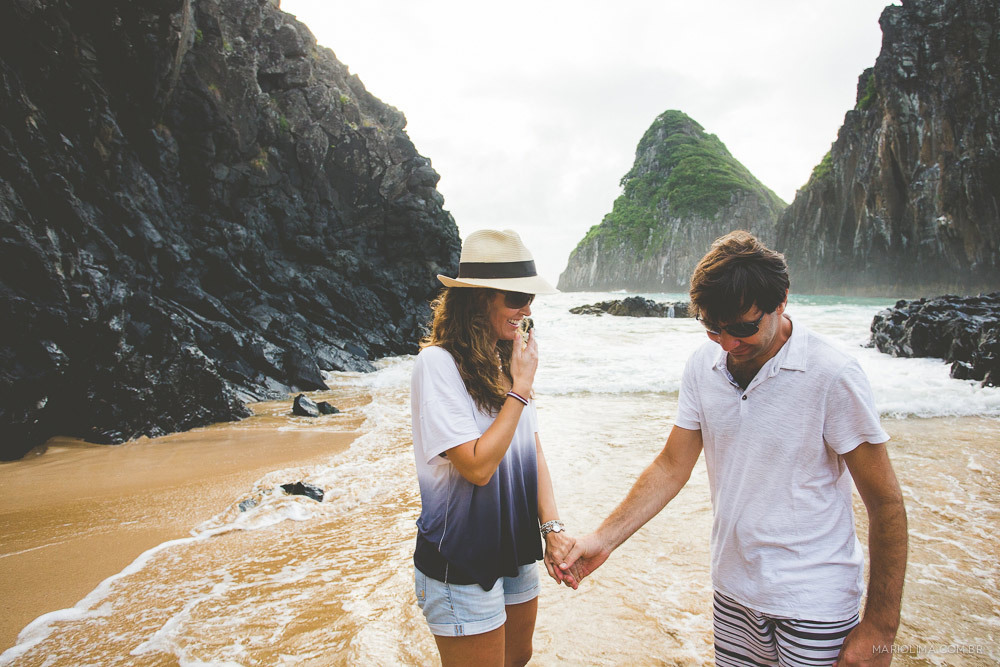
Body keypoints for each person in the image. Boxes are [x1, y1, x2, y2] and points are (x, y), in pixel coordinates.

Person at [557, 231, 908, 666]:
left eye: (743, 328)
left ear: (781, 302)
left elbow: (886, 502)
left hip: (813, 603)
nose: (727, 343)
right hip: (733, 594)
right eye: (713, 329)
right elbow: (671, 466)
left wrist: (879, 628)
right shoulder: (702, 366)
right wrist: (604, 539)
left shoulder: (832, 374)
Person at [410, 229, 571, 667]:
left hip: (515, 548)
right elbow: (476, 467)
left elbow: (530, 451)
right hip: (460, 556)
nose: (527, 309)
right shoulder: (438, 365)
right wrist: (521, 389)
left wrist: (552, 530)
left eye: (531, 299)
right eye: (516, 297)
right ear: (479, 299)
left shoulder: (505, 360)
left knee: (518, 659)